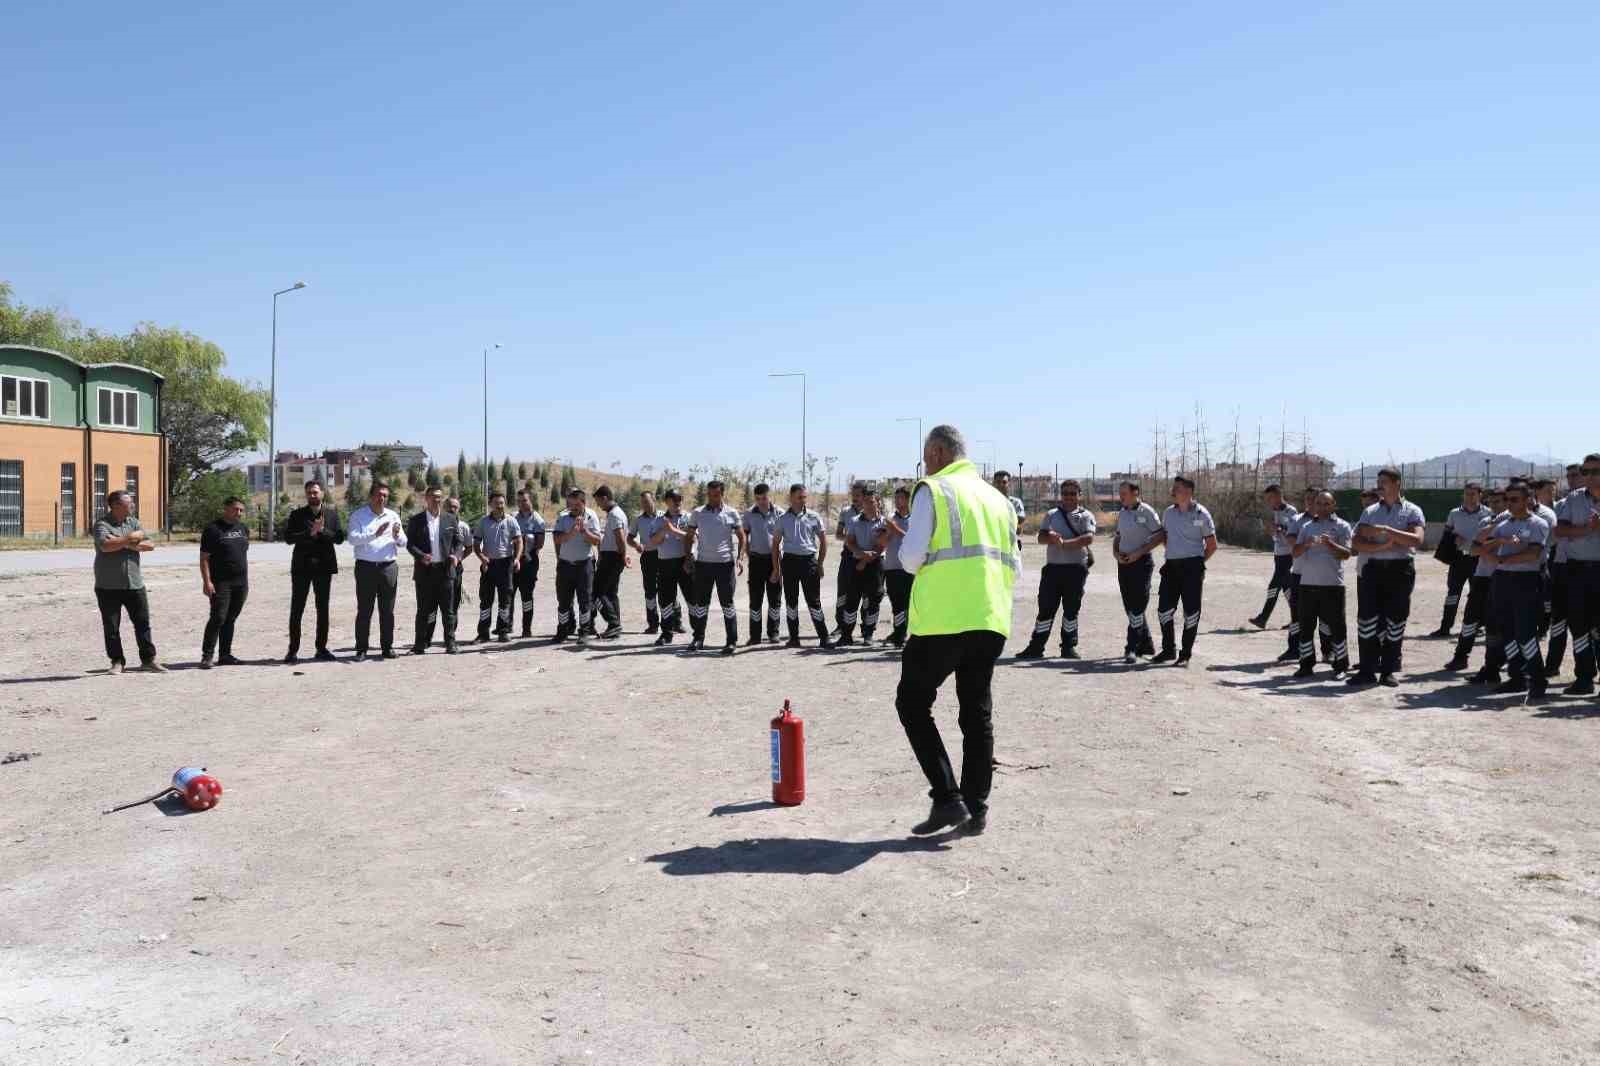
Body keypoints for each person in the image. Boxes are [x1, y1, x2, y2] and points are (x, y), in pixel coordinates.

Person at [894, 425, 1019, 836]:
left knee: (912, 703)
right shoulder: (999, 500)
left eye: (926, 455)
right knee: (976, 714)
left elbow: (911, 558)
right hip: (990, 617)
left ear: (937, 451)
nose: (924, 462)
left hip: (943, 620)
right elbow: (1014, 564)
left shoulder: (935, 489)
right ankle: (977, 807)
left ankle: (948, 798)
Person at [1348, 468, 1426, 687]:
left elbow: (1416, 539)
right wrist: (1383, 545)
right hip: (1372, 570)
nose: (1380, 486)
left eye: (1384, 482)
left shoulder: (1412, 510)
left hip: (1400, 570)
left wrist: (1386, 530)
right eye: (1378, 481)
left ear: (1397, 483)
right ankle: (1366, 670)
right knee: (1367, 621)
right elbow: (1355, 542)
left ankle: (1388, 670)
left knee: (1395, 620)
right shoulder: (1370, 511)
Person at [1480, 482, 1551, 697]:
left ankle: (1537, 679)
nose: (1509, 504)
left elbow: (1533, 553)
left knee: (1525, 633)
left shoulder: (1538, 523)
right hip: (1502, 580)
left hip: (1526, 581)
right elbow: (1480, 544)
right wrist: (1496, 537)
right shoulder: (1503, 523)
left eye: (1514, 499)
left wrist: (1502, 558)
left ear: (1528, 499)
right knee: (1507, 631)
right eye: (1507, 499)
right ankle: (1516, 677)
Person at [1017, 480, 1095, 660]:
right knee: (1045, 609)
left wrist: (1064, 544)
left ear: (1079, 495)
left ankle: (1068, 647)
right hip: (1052, 570)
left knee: (1071, 610)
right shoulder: (1052, 514)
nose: (1069, 497)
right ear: (1061, 495)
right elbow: (1041, 538)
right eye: (1066, 493)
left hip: (1076, 570)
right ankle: (1036, 647)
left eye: (1073, 493)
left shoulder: (1086, 515)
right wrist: (1050, 537)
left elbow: (1088, 539)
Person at [1147, 476, 1218, 666]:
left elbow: (1212, 545)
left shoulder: (1201, 514)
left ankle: (1185, 654)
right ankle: (1168, 649)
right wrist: (1174, 552)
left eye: (1177, 488)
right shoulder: (1169, 513)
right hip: (1171, 567)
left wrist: (1198, 562)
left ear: (1188, 492)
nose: (1173, 491)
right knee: (1164, 610)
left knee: (1191, 612)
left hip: (1192, 568)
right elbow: (1165, 536)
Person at [92, 489, 165, 674]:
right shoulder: (102, 524)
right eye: (129, 503)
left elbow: (150, 545)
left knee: (142, 623)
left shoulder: (133, 522)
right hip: (108, 586)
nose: (132, 505)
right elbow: (105, 546)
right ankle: (117, 662)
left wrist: (122, 541)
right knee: (111, 627)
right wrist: (130, 540)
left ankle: (148, 660)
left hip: (134, 583)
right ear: (116, 505)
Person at [1290, 490, 1353, 678]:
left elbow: (1347, 553)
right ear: (1314, 505)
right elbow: (1295, 552)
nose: (1322, 507)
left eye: (1326, 504)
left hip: (1333, 584)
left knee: (1337, 626)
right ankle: (1306, 664)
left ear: (1334, 505)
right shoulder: (1307, 526)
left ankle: (1341, 666)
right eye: (1319, 503)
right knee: (1306, 626)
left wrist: (1330, 544)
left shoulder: (1342, 526)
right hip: (1307, 584)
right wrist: (1307, 544)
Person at [1553, 454, 1600, 697]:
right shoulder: (1573, 499)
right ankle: (1584, 678)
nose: (1589, 476)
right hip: (1577, 570)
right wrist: (1587, 530)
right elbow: (1559, 530)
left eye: (1595, 471)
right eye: (1586, 471)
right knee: (1579, 626)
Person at [283, 480, 345, 663]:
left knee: (323, 609)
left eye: (315, 492)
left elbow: (340, 538)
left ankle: (322, 648)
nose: (313, 495)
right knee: (297, 609)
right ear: (306, 494)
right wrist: (308, 534)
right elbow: (288, 538)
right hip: (301, 568)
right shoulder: (297, 515)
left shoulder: (332, 514)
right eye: (309, 492)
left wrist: (323, 530)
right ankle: (292, 650)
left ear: (322, 494)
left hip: (324, 568)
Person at [684, 480, 747, 655]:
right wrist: (688, 557)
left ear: (722, 494)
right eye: (710, 495)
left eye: (717, 494)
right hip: (703, 565)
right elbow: (689, 537)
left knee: (727, 604)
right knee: (701, 603)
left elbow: (742, 537)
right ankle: (698, 638)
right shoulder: (697, 513)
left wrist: (740, 557)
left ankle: (731, 641)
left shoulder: (732, 513)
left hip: (725, 565)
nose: (713, 498)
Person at [406, 487, 471, 654]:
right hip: (425, 572)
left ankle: (450, 643)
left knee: (448, 610)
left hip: (446, 571)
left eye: (440, 497)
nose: (437, 500)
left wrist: (456, 556)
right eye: (434, 497)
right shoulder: (416, 520)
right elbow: (410, 544)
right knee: (423, 610)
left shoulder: (450, 519)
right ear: (426, 499)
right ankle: (420, 644)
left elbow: (458, 542)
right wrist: (421, 556)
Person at [347, 481, 407, 661]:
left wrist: (397, 536)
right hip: (366, 567)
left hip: (388, 567)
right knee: (365, 610)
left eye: (385, 495)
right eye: (379, 495)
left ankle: (387, 647)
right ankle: (361, 649)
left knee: (387, 610)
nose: (382, 498)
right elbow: (352, 539)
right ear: (371, 496)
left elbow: (403, 542)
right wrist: (375, 534)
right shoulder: (359, 515)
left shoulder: (393, 516)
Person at [1445, 487, 1501, 674]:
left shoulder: (1517, 523)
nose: (1496, 506)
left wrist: (1488, 547)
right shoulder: (1486, 521)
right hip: (1483, 575)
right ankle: (1460, 657)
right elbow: (1474, 549)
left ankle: (1493, 666)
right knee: (1470, 618)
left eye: (1500, 501)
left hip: (1505, 577)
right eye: (1493, 502)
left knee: (1498, 623)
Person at [771, 483, 833, 648]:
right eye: (799, 497)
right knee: (791, 602)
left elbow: (823, 541)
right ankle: (794, 638)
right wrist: (776, 569)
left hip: (808, 562)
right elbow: (775, 545)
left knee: (814, 601)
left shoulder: (814, 517)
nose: (802, 500)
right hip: (789, 562)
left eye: (804, 497)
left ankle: (824, 637)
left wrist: (819, 563)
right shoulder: (782, 519)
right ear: (791, 498)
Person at [1111, 480, 1160, 664]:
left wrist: (1139, 553)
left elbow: (1160, 535)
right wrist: (1116, 552)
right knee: (1130, 607)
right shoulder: (1123, 512)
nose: (1121, 496)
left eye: (1124, 493)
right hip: (1123, 564)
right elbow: (1118, 536)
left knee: (1138, 605)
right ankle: (1146, 644)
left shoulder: (1146, 511)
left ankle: (1131, 647)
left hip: (1141, 564)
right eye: (1120, 492)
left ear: (1135, 492)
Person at [198, 495, 250, 668]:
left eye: (241, 510)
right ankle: (207, 656)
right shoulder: (213, 529)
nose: (239, 513)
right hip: (221, 582)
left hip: (241, 583)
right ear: (226, 509)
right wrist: (207, 582)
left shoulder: (243, 528)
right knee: (218, 617)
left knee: (230, 618)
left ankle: (225, 655)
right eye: (236, 509)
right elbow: (204, 558)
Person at [1433, 483, 1488, 638]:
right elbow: (1447, 534)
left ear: (1480, 495)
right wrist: (1453, 539)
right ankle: (1445, 627)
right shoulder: (1454, 513)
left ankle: (1476, 626)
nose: (1469, 497)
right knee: (1453, 593)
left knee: (1477, 594)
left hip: (1479, 559)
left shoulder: (1488, 514)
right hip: (1459, 559)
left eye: (1473, 494)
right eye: (1466, 494)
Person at [1544, 465, 1584, 678]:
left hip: (1587, 567)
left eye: (1575, 475)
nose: (1571, 479)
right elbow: (1556, 533)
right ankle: (1552, 665)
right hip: (1561, 566)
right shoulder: (1561, 505)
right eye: (1568, 476)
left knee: (1586, 624)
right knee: (1558, 620)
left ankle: (1586, 670)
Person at [837, 489, 889, 647]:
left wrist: (865, 560)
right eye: (865, 502)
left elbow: (882, 545)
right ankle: (846, 635)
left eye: (871, 501)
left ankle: (868, 634)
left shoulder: (885, 522)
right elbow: (850, 541)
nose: (868, 505)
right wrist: (860, 554)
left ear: (878, 502)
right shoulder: (853, 520)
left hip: (875, 564)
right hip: (856, 564)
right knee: (852, 600)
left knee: (873, 600)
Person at [551, 488, 602, 644]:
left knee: (584, 600)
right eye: (570, 505)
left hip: (584, 565)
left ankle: (584, 631)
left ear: (583, 503)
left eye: (576, 505)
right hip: (565, 565)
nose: (572, 508)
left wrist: (585, 531)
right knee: (564, 600)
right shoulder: (563, 516)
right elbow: (557, 539)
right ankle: (563, 630)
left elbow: (597, 540)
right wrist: (571, 533)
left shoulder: (591, 516)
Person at [1275, 487, 1320, 664]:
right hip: (1299, 574)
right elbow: (1292, 542)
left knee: (1324, 617)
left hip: (1323, 576)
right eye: (1307, 498)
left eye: (1313, 498)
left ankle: (1327, 651)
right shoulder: (1297, 519)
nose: (1309, 501)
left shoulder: (1332, 522)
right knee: (1297, 615)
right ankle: (1294, 649)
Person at [473, 491, 523, 644]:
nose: (500, 506)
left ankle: (503, 631)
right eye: (496, 503)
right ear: (490, 504)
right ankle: (483, 634)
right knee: (486, 600)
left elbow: (519, 541)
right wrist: (482, 558)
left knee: (505, 600)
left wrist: (517, 559)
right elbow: (476, 544)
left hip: (506, 563)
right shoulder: (483, 522)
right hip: (489, 564)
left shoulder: (511, 521)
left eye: (502, 503)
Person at [1249, 484, 1299, 630]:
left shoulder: (1291, 512)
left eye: (1270, 498)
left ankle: (1263, 618)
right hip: (1278, 553)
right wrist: (1271, 530)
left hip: (1288, 554)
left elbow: (1293, 532)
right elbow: (1276, 535)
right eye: (1267, 499)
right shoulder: (1275, 511)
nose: (1269, 501)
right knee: (1286, 588)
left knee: (1274, 586)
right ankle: (1297, 618)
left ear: (1278, 495)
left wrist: (1278, 528)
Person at [648, 490, 694, 645]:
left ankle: (698, 632)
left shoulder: (688, 518)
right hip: (665, 563)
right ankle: (666, 633)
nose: (678, 502)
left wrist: (674, 531)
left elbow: (693, 537)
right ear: (666, 502)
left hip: (685, 562)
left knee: (692, 598)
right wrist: (664, 530)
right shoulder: (659, 520)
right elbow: (653, 542)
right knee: (665, 600)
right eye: (674, 499)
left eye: (680, 499)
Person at [742, 483, 783, 646]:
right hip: (756, 561)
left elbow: (784, 537)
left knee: (775, 599)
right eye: (758, 499)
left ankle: (773, 633)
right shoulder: (749, 514)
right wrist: (746, 554)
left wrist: (778, 565)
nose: (761, 502)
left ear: (769, 496)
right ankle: (755, 636)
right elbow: (744, 536)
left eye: (764, 498)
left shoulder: (780, 513)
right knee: (755, 600)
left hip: (775, 561)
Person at [591, 486, 630, 639]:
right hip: (614, 556)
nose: (599, 505)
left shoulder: (614, 515)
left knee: (598, 593)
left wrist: (623, 555)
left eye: (599, 501)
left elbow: (620, 537)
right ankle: (615, 627)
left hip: (612, 557)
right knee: (611, 594)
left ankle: (613, 623)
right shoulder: (617, 513)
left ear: (605, 498)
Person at [628, 492, 667, 634]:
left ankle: (675, 621)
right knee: (650, 591)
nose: (644, 504)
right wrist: (636, 545)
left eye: (647, 501)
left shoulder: (664, 516)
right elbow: (629, 537)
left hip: (664, 556)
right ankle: (653, 624)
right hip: (648, 557)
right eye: (642, 502)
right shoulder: (638, 520)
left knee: (667, 589)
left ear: (654, 500)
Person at [832, 483, 866, 636]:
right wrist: (851, 540)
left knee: (866, 593)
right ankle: (841, 625)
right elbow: (838, 534)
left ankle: (866, 628)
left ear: (865, 496)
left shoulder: (871, 511)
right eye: (853, 495)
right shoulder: (846, 512)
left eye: (858, 495)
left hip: (866, 556)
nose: (855, 498)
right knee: (843, 592)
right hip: (848, 556)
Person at [882, 486, 913, 646]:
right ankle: (899, 633)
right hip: (892, 567)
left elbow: (913, 540)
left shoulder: (915, 519)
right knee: (896, 603)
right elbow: (882, 544)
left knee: (909, 603)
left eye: (901, 497)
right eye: (896, 498)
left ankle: (907, 633)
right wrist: (887, 532)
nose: (897, 501)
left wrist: (896, 529)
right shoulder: (889, 519)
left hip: (909, 568)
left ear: (908, 499)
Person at [513, 489, 546, 638]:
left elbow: (540, 544)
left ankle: (526, 628)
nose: (521, 503)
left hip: (529, 561)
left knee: (526, 596)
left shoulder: (538, 520)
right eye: (519, 501)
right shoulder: (513, 517)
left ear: (531, 500)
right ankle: (506, 628)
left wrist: (527, 542)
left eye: (524, 500)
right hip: (513, 560)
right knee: (508, 594)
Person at [994, 469, 1027, 552]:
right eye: (998, 482)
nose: (1001, 485)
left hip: (1011, 549)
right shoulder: (986, 501)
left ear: (1009, 484)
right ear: (993, 484)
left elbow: (1019, 529)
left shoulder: (1015, 503)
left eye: (1004, 482)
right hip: (993, 546)